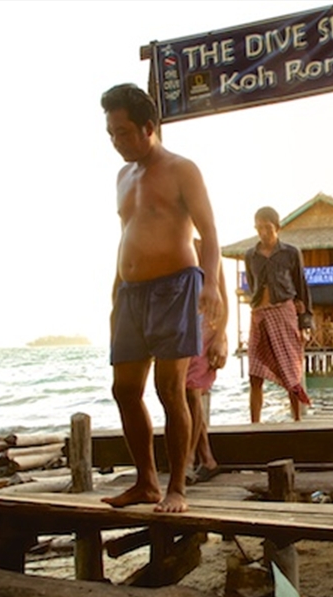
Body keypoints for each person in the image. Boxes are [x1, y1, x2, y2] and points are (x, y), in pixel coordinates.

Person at [100, 83, 222, 513]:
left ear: (148, 127)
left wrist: (210, 286)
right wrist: (116, 288)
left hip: (175, 286)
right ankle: (145, 483)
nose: (116, 142)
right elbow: (126, 235)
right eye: (111, 133)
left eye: (123, 132)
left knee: (170, 389)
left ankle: (177, 489)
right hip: (130, 292)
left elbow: (209, 232)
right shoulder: (122, 176)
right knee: (124, 389)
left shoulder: (181, 169)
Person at [245, 206, 313, 422]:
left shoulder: (291, 253)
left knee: (291, 371)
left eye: (268, 227)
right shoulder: (250, 255)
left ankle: (296, 421)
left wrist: (305, 324)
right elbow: (253, 284)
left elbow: (302, 288)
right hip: (259, 315)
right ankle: (254, 424)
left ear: (277, 228)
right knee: (255, 374)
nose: (263, 232)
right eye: (259, 228)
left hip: (285, 313)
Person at [185, 241, 228, 484]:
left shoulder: (207, 248)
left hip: (208, 328)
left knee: (192, 391)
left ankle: (188, 460)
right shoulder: (174, 245)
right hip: (183, 327)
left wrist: (221, 336)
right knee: (182, 393)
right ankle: (207, 459)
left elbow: (224, 300)